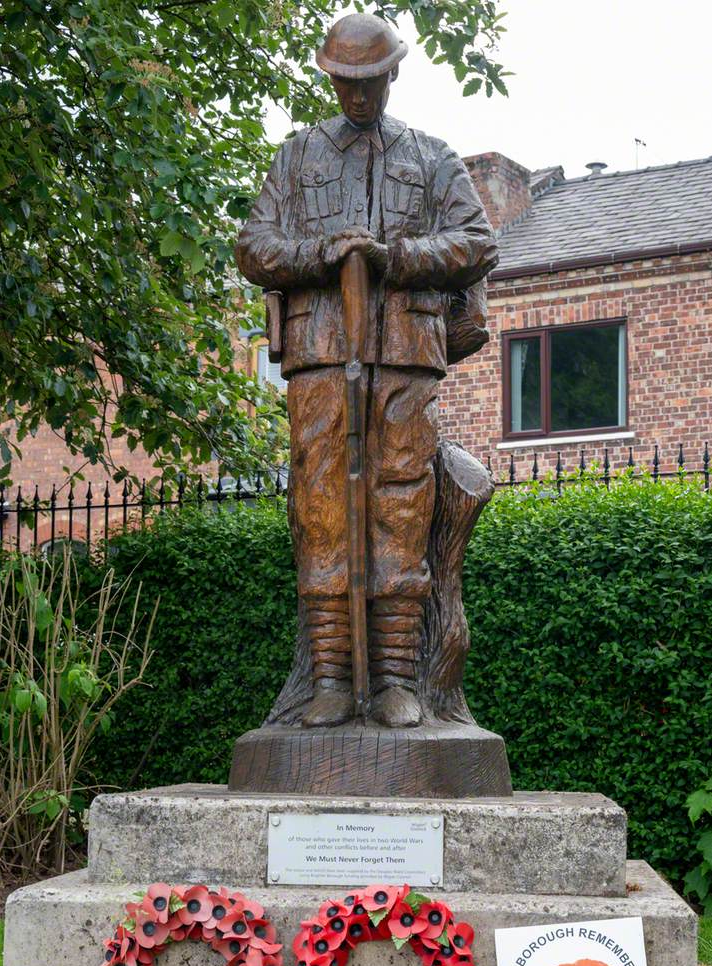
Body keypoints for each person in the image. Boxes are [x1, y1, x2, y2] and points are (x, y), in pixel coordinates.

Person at [236, 12, 497, 729]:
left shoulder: (432, 156)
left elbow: (478, 241)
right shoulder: (296, 157)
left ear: (392, 74)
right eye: (344, 82)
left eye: (369, 80)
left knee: (401, 509)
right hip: (321, 356)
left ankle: (394, 683)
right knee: (322, 509)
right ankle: (329, 682)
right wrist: (321, 254)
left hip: (405, 356)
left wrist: (398, 256)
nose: (356, 95)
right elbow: (254, 246)